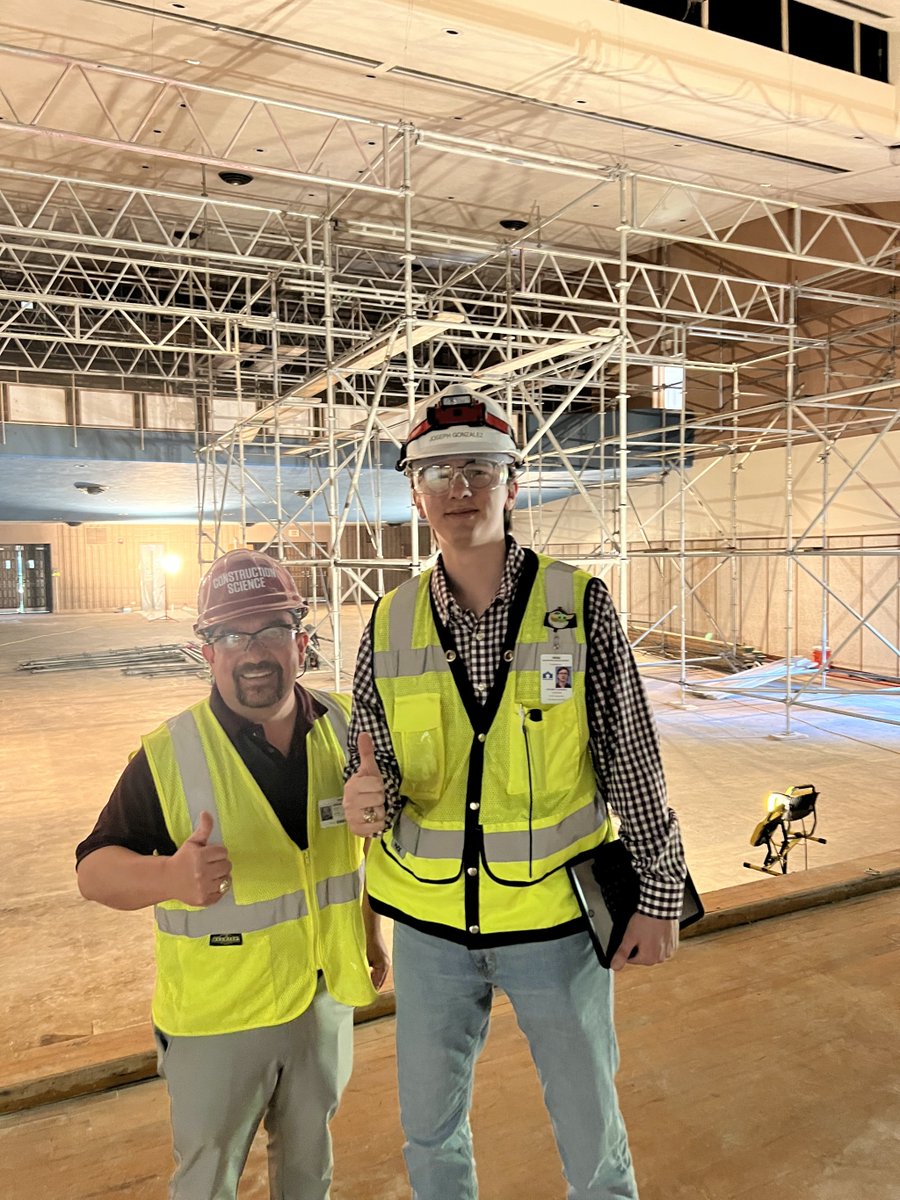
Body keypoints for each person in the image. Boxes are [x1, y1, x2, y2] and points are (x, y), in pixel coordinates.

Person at [343, 385, 686, 1200]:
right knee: (429, 1131)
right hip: (428, 930)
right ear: (415, 492)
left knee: (591, 1132)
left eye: (479, 468)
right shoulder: (387, 625)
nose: (459, 488)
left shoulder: (578, 605)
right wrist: (369, 797)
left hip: (552, 927)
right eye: (437, 473)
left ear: (514, 482)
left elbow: (632, 759)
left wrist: (660, 894)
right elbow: (378, 763)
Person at [76, 548, 389, 1200]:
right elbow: (94, 872)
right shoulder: (170, 753)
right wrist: (168, 878)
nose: (254, 651)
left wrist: (369, 932)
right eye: (232, 635)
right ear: (206, 651)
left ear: (303, 641)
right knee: (208, 1180)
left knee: (308, 1169)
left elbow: (350, 856)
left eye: (272, 630)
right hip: (219, 1020)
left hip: (321, 1002)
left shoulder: (345, 727)